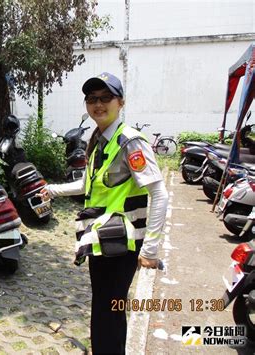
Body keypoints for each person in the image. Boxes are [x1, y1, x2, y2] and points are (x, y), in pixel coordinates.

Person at [40, 72, 169, 354]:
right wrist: (52, 190)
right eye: (92, 99)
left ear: (120, 102)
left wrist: (150, 250)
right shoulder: (99, 139)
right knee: (102, 306)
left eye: (106, 97)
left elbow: (160, 194)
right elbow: (88, 184)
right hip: (101, 238)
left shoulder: (130, 142)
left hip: (123, 244)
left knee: (110, 309)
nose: (98, 104)